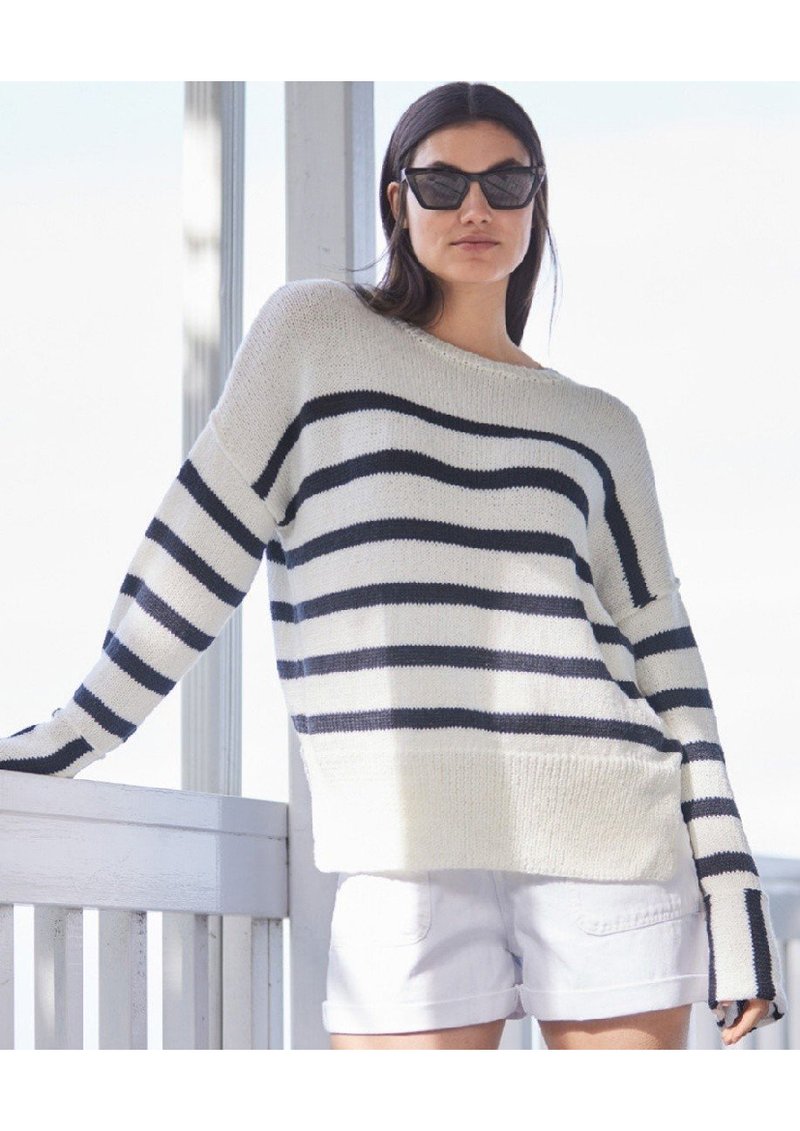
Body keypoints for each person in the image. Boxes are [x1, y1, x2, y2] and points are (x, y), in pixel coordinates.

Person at [0, 82, 786, 1051]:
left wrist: (732, 891)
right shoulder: (313, 335)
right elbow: (198, 544)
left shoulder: (599, 427)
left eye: (505, 182)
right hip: (398, 842)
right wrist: (72, 736)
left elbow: (668, 666)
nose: (474, 206)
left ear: (536, 201)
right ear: (396, 200)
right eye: (441, 182)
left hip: (607, 839)